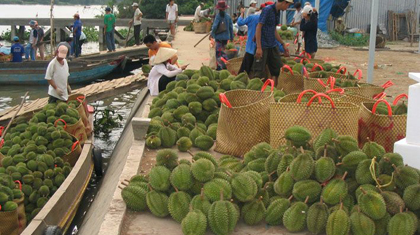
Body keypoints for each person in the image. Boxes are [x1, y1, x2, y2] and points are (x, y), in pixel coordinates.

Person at [254, 0, 292, 84]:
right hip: (263, 45)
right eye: (288, 5)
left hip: (272, 45)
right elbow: (258, 27)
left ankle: (273, 89)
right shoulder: (267, 10)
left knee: (277, 69)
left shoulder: (278, 12)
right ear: (284, 2)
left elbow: (273, 29)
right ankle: (258, 93)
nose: (287, 8)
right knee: (259, 72)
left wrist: (283, 44)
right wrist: (259, 47)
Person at [210, 0, 234, 71]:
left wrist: (212, 34)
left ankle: (220, 67)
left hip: (219, 38)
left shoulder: (218, 16)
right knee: (223, 51)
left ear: (219, 9)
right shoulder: (228, 17)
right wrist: (231, 37)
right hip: (225, 38)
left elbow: (214, 27)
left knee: (218, 53)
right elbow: (231, 28)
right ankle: (227, 64)